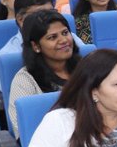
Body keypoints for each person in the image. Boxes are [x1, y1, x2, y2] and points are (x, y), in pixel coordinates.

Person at [7, 10, 80, 138]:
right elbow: (25, 131)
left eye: (65, 33)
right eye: (52, 37)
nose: (63, 40)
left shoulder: (86, 68)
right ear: (36, 46)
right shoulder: (25, 81)